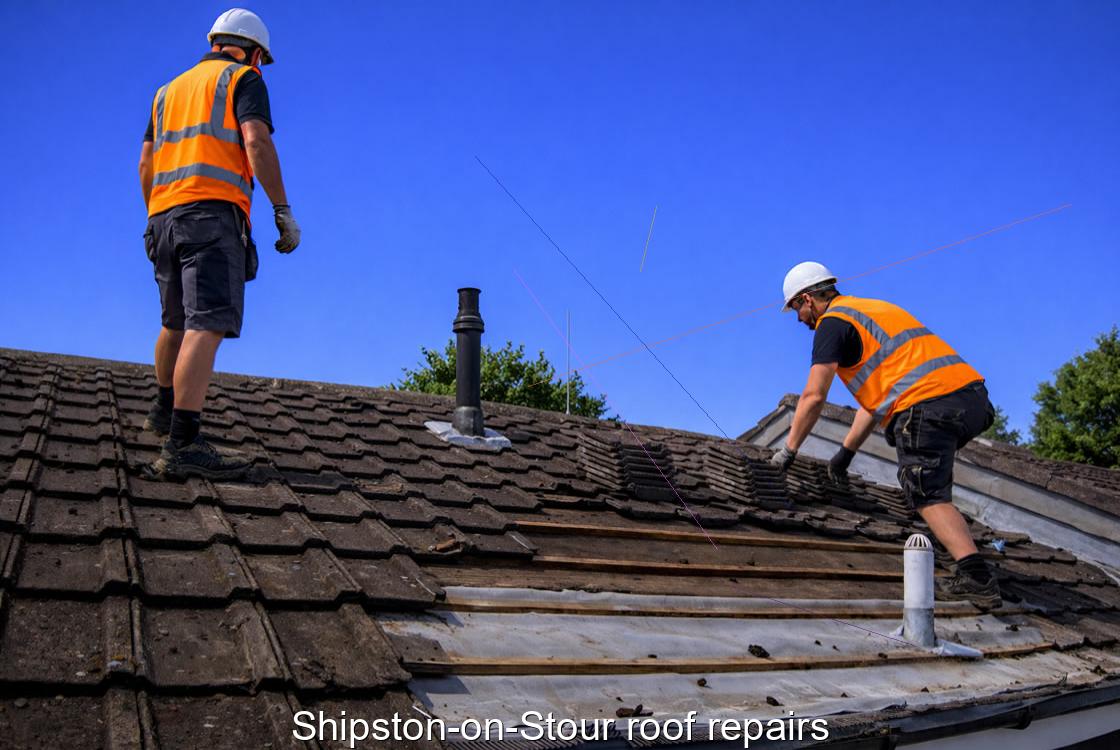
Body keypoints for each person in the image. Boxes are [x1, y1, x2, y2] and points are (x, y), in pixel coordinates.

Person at [769, 262, 1001, 609]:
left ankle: (976, 576)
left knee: (924, 489)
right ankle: (961, 543)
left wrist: (788, 451)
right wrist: (845, 453)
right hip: (970, 400)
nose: (799, 320)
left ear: (808, 299)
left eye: (797, 310)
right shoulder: (872, 309)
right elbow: (878, 401)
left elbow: (814, 396)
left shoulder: (832, 324)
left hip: (927, 404)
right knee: (930, 469)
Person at [138, 8, 301, 479]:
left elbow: (146, 162)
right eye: (261, 60)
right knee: (205, 323)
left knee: (174, 321)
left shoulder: (167, 91)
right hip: (211, 215)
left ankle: (164, 411)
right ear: (253, 52)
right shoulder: (243, 80)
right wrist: (282, 209)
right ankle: (183, 444)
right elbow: (256, 142)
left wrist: (155, 213)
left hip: (164, 215)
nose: (260, 67)